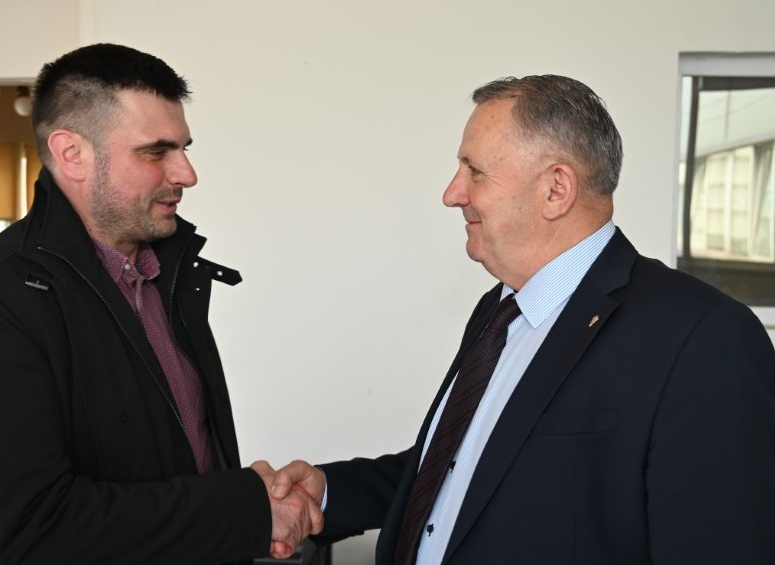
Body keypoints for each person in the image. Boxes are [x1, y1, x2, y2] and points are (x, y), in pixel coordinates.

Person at [270, 75, 775, 564]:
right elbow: (465, 467)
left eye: (474, 171)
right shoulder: (499, 309)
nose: (452, 193)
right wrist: (329, 491)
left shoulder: (703, 339)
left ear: (556, 189)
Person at [0, 43, 320, 565]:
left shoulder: (167, 275)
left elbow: (175, 464)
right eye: (156, 152)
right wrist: (248, 509)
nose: (187, 173)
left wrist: (253, 507)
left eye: (183, 148)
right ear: (72, 154)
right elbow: (29, 533)